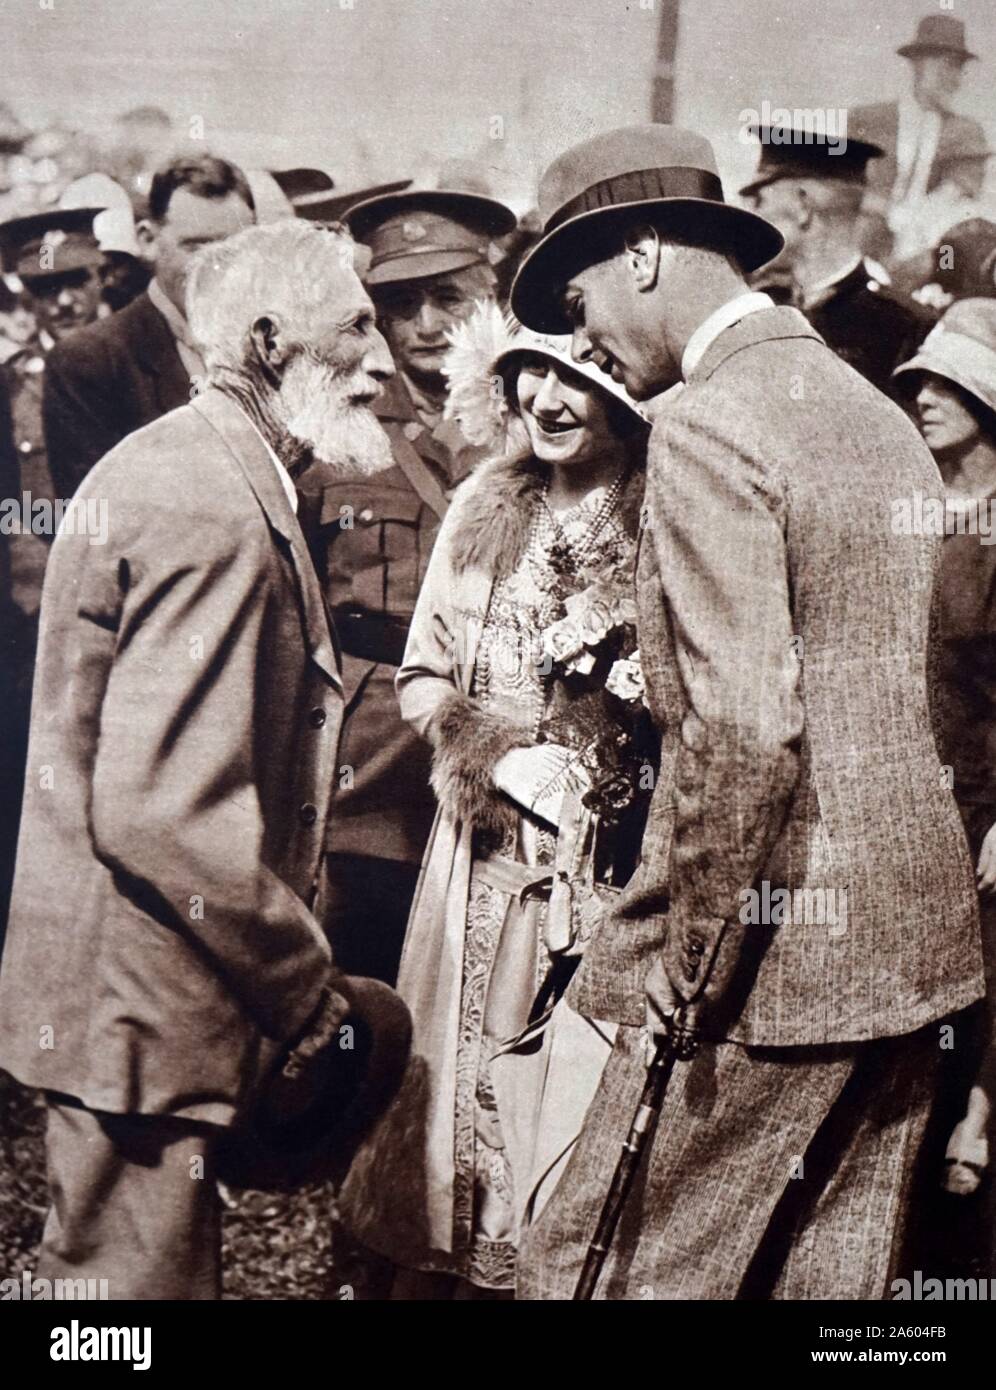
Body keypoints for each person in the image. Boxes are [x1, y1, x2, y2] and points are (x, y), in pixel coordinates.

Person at [508, 123, 984, 1300]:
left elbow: (743, 728)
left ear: (648, 255)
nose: (585, 343)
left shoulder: (710, 425)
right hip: (914, 946)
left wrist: (696, 947)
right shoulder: (870, 410)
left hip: (770, 958)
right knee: (839, 1287)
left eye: (580, 302)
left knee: (613, 1270)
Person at [0, 219, 396, 1299]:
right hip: (142, 999)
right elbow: (160, 808)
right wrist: (305, 987)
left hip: (128, 996)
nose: (387, 360)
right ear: (269, 341)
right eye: (356, 329)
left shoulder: (195, 466)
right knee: (129, 1306)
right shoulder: (210, 502)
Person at [339, 300, 652, 1295]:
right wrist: (494, 753)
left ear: (625, 395)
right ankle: (449, 1257)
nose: (553, 400)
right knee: (455, 1080)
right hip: (479, 854)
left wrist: (609, 754)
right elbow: (420, 676)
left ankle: (551, 1265)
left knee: (570, 1081)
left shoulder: (665, 513)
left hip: (611, 861)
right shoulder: (484, 504)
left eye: (583, 379)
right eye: (536, 377)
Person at [297, 183, 516, 987]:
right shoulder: (331, 423)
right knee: (358, 968)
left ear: (491, 290)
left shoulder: (540, 413)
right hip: (374, 747)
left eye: (448, 297)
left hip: (504, 735)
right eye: (400, 304)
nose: (426, 324)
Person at [894, 299, 996, 1199]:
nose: (923, 394)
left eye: (948, 379)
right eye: (918, 378)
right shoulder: (913, 506)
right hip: (908, 792)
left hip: (980, 800)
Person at [43, 154, 256, 498]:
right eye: (196, 247)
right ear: (147, 239)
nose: (216, 266)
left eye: (234, 248)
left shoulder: (273, 344)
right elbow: (91, 521)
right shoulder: (89, 361)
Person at [741, 128, 933, 395]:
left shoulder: (904, 325)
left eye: (760, 201)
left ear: (802, 207)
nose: (753, 214)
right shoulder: (759, 306)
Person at [852, 15, 988, 262]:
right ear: (918, 64)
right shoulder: (869, 121)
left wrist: (912, 223)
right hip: (866, 232)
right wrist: (887, 212)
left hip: (923, 241)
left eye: (960, 68)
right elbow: (846, 184)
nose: (955, 79)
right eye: (947, 65)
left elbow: (955, 194)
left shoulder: (965, 133)